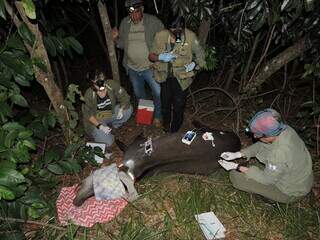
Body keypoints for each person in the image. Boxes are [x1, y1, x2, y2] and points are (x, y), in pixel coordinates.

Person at [220, 108, 314, 203]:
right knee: (254, 168)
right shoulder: (285, 130)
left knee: (236, 177)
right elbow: (262, 145)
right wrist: (238, 154)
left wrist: (237, 167)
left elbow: (266, 179)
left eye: (257, 136)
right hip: (302, 178)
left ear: (268, 136)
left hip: (291, 191)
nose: (256, 138)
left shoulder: (280, 152)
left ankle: (272, 198)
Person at [148, 16, 206, 132]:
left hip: (182, 78)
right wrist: (160, 57)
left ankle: (175, 130)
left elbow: (201, 57)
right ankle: (166, 125)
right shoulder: (160, 36)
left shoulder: (190, 37)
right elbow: (151, 56)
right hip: (164, 77)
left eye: (181, 31)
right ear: (169, 29)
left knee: (179, 106)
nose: (177, 34)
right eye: (174, 32)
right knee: (165, 106)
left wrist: (194, 66)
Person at [112, 0, 164, 127]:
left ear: (142, 10)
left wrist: (159, 60)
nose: (133, 16)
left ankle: (158, 116)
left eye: (136, 12)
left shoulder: (153, 22)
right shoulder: (125, 23)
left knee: (157, 92)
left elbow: (165, 40)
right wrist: (115, 38)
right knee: (139, 94)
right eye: (131, 13)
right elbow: (122, 44)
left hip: (150, 67)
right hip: (133, 68)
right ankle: (146, 117)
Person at [82, 70, 132, 152]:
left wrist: (121, 109)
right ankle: (102, 133)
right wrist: (100, 126)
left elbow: (124, 97)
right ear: (92, 83)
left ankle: (115, 125)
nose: (101, 84)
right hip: (97, 119)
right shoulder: (89, 94)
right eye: (97, 82)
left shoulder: (110, 84)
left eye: (102, 80)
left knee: (128, 109)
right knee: (108, 143)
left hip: (109, 113)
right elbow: (88, 114)